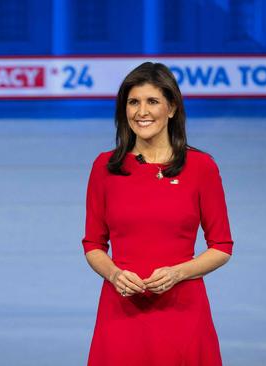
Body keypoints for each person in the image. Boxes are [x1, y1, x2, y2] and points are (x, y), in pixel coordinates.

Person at [82, 62, 233, 366]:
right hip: (121, 314)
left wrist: (178, 273)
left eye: (152, 101)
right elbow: (93, 245)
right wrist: (114, 274)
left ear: (172, 108)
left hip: (184, 314)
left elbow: (222, 247)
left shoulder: (202, 167)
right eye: (133, 102)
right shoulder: (104, 167)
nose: (142, 112)